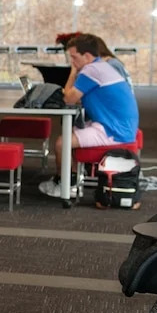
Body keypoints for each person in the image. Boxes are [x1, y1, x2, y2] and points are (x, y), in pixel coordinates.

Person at [38, 33, 139, 198]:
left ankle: (65, 185)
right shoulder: (102, 67)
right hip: (120, 126)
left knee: (62, 143)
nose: (72, 62)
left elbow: (68, 98)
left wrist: (73, 72)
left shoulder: (91, 70)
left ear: (86, 56)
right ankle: (69, 178)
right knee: (74, 130)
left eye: (74, 57)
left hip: (114, 131)